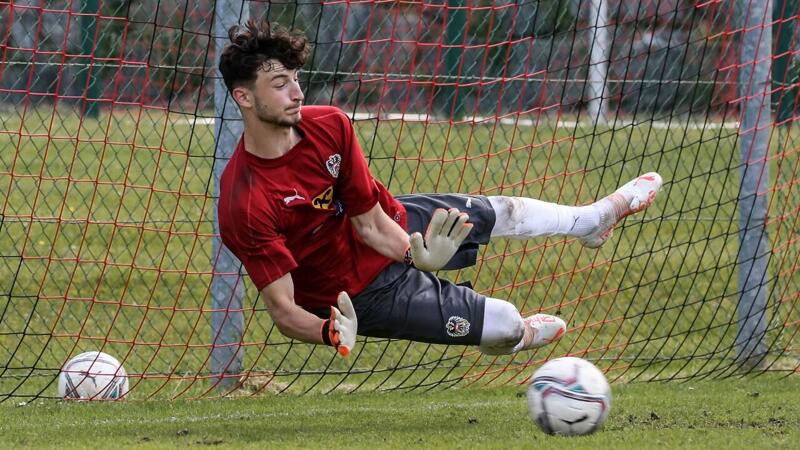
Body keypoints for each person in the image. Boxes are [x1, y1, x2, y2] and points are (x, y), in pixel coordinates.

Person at [217, 19, 663, 357]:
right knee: (505, 325)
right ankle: (513, 334)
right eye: (280, 84)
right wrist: (328, 331)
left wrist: (416, 253)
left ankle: (593, 219)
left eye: (296, 78)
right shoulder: (246, 202)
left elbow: (370, 224)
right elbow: (282, 309)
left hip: (392, 224)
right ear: (243, 98)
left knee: (503, 211)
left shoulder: (329, 124)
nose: (296, 92)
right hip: (361, 294)